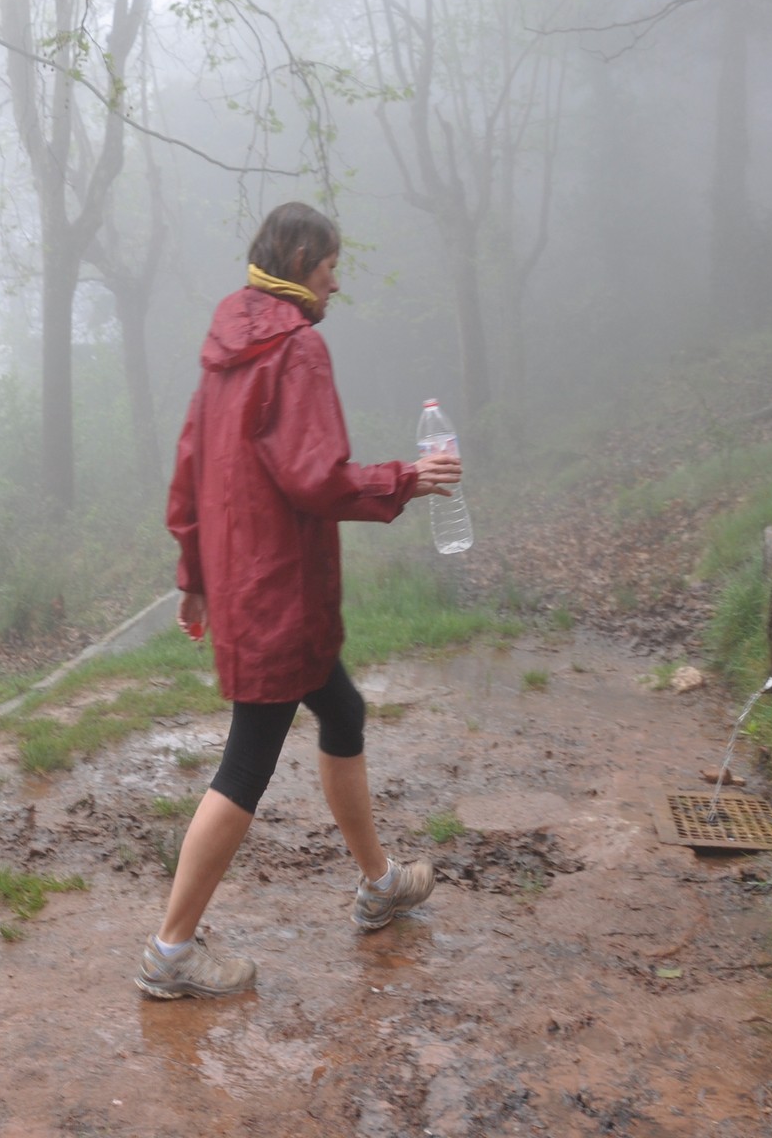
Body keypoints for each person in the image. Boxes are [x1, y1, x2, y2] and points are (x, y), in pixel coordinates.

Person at [137, 202, 463, 1000]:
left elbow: (188, 470)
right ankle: (171, 952)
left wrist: (195, 576)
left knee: (343, 711)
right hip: (279, 592)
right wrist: (408, 479)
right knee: (247, 761)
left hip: (254, 588)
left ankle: (379, 884)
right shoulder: (298, 349)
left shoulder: (225, 349)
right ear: (300, 263)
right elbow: (316, 477)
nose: (335, 283)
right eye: (329, 267)